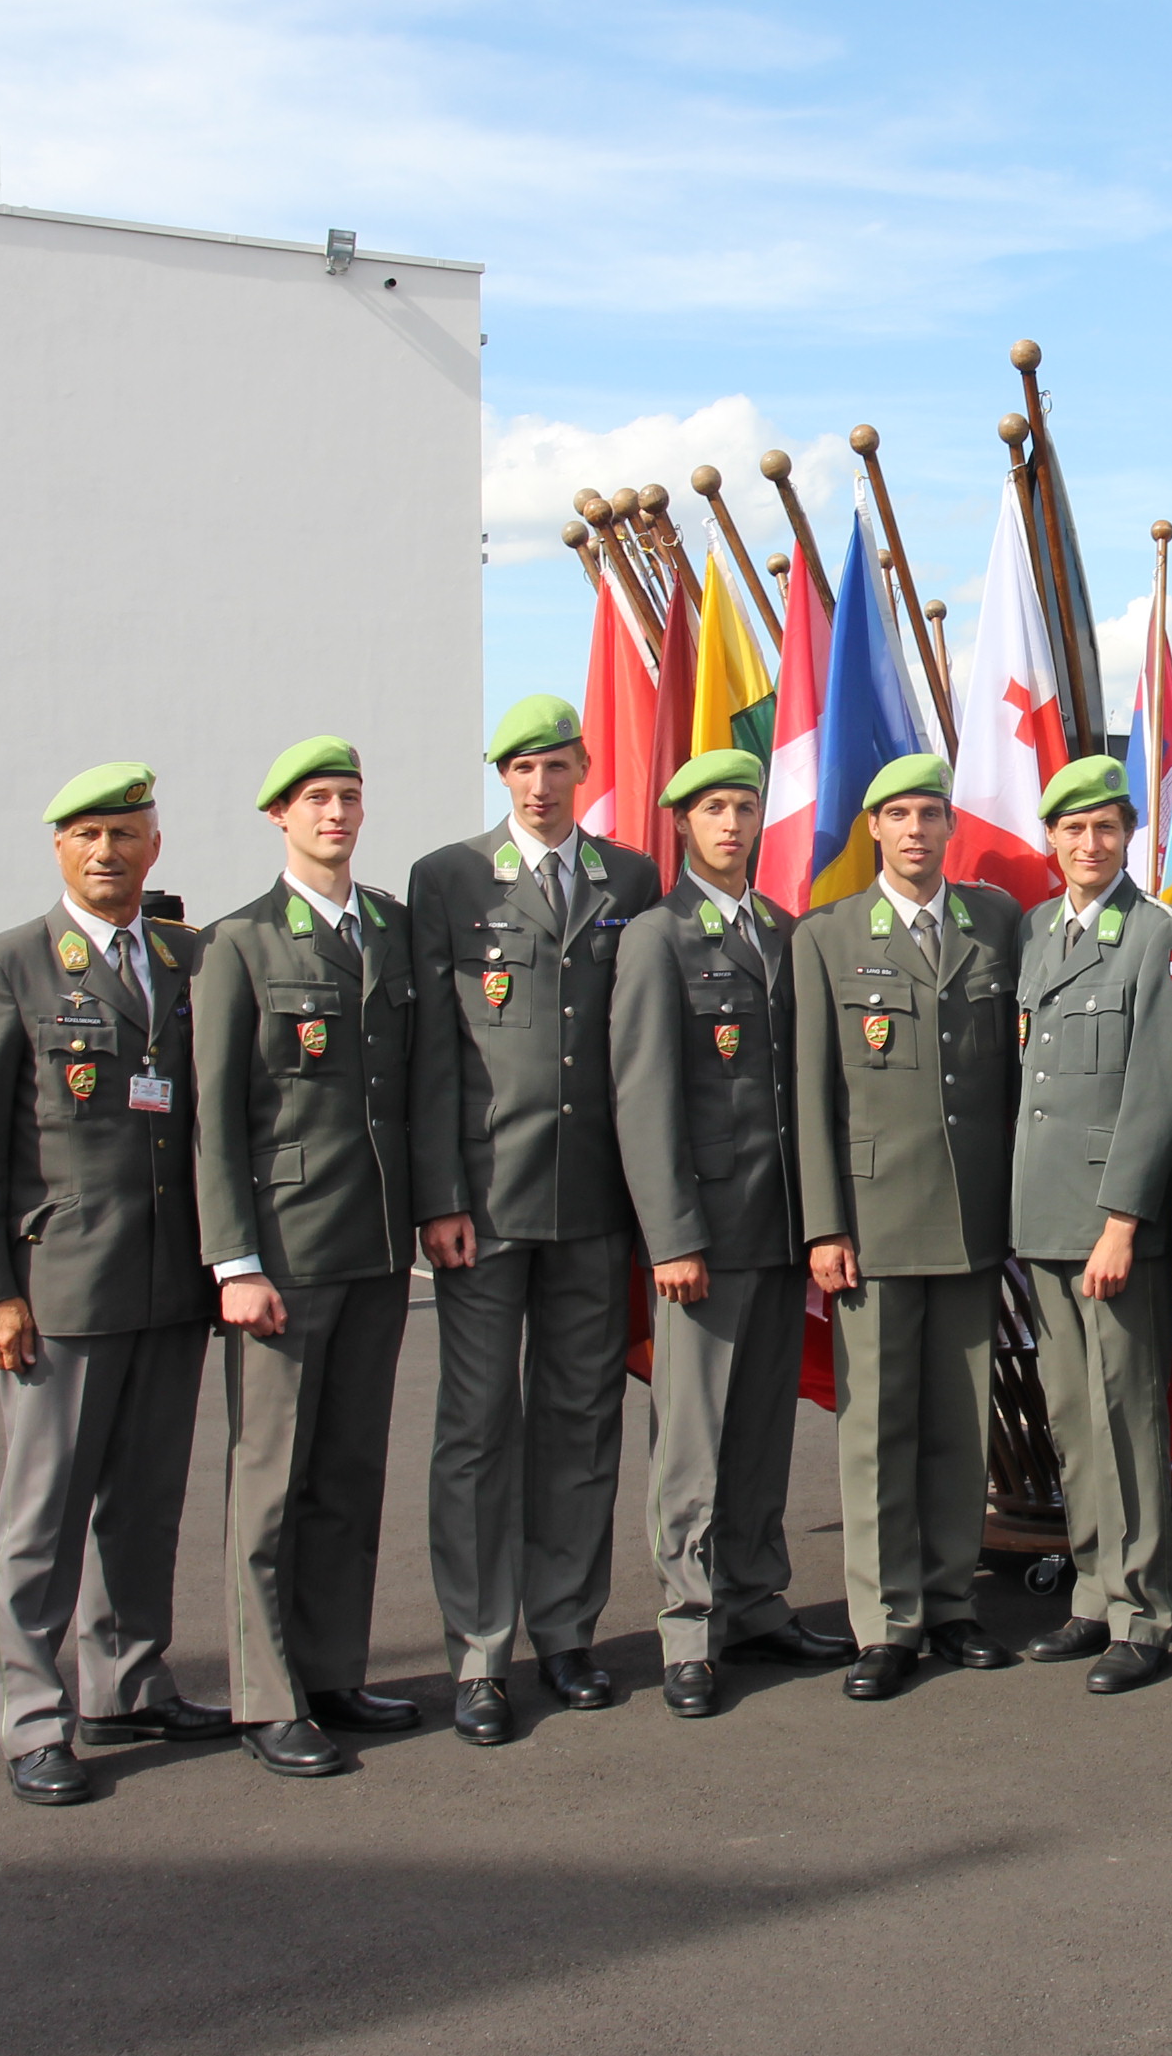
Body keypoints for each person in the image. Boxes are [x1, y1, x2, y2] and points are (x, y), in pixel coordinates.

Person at [0, 763, 227, 1808]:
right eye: (88, 834)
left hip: (170, 1280)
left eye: (126, 833)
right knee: (45, 1514)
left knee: (146, 1505)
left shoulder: (189, 959)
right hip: (59, 1289)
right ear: (59, 846)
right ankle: (30, 1715)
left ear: (156, 845)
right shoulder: (3, 967)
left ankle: (127, 1681)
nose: (109, 852)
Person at [407, 693, 665, 1746]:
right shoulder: (450, 878)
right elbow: (432, 1050)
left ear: (583, 769)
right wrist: (438, 1196)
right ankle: (479, 1653)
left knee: (581, 1422)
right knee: (476, 1429)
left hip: (594, 1199)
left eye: (557, 765)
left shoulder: (630, 880)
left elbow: (637, 1045)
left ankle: (565, 1632)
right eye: (521, 767)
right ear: (502, 777)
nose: (541, 784)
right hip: (487, 1201)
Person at [190, 738, 424, 1780]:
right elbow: (214, 1118)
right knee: (270, 1484)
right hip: (284, 1254)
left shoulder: (392, 928)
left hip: (376, 1246)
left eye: (349, 797)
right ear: (279, 817)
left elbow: (417, 1084)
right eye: (316, 799)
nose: (336, 813)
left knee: (349, 1473)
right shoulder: (239, 942)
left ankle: (333, 1673)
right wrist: (234, 1262)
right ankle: (265, 1697)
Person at [611, 749, 852, 1717]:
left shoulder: (782, 932)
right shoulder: (657, 937)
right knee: (694, 1442)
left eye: (745, 807)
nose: (731, 824)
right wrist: (672, 1238)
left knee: (759, 1431)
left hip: (776, 1227)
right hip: (703, 1237)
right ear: (682, 824)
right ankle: (688, 1625)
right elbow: (644, 1096)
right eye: (713, 808)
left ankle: (755, 1601)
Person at [791, 753, 1027, 1700]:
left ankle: (950, 1601)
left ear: (949, 827)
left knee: (960, 1427)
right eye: (899, 816)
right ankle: (884, 1622)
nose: (917, 831)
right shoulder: (828, 936)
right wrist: (824, 1224)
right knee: (879, 1431)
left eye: (932, 814)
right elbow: (811, 1092)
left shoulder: (994, 923)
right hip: (875, 1221)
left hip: (971, 1216)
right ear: (874, 830)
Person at [1008, 754, 1172, 1693]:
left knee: (1126, 1414)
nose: (1089, 844)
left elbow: (1158, 1093)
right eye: (1073, 829)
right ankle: (1093, 1589)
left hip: (1109, 1223)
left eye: (1105, 828)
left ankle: (1141, 1612)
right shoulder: (1039, 930)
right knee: (1073, 1418)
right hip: (1043, 1218)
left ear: (1130, 835)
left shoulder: (1163, 937)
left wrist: (1123, 1222)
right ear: (1051, 838)